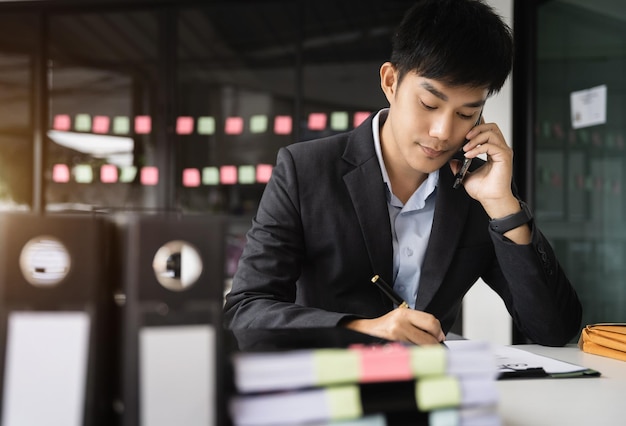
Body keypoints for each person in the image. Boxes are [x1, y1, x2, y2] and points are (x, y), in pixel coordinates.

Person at [223, 0, 582, 347]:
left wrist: (504, 206)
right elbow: (245, 311)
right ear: (391, 82)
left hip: (429, 394)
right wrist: (363, 329)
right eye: (429, 104)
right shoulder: (305, 171)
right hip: (324, 390)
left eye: (466, 114)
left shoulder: (479, 189)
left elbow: (553, 328)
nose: (443, 131)